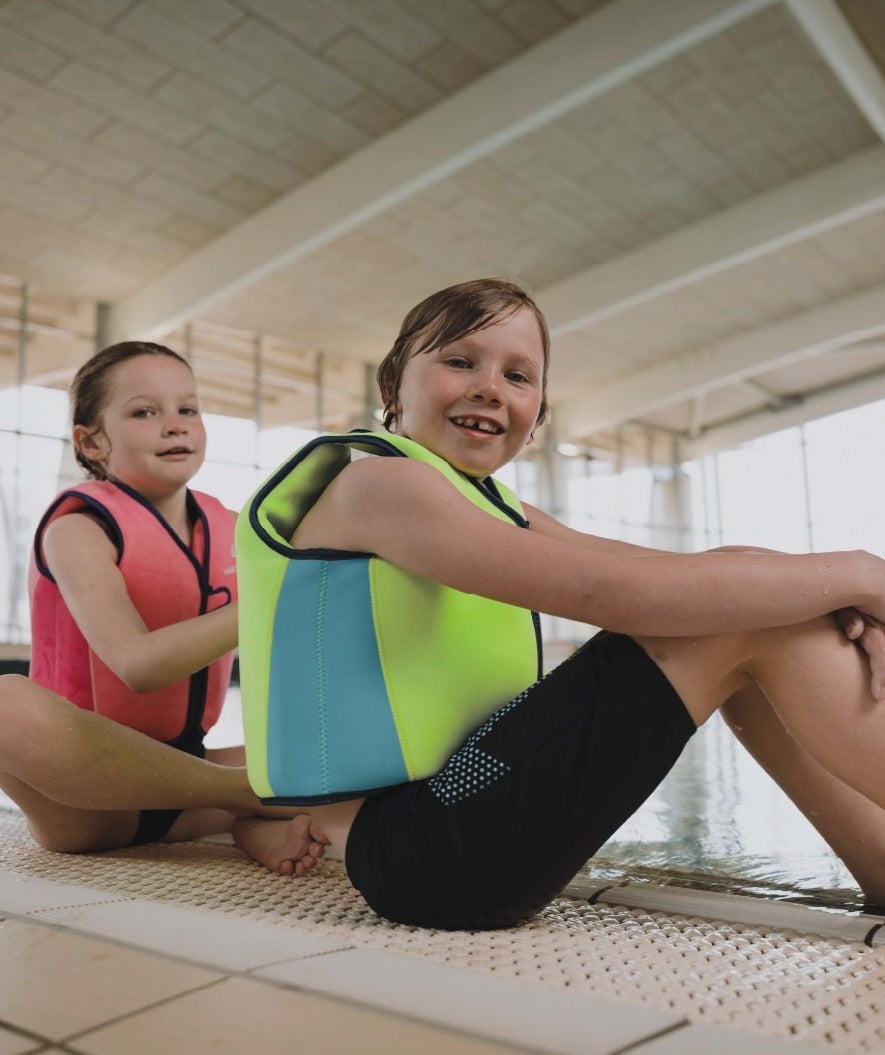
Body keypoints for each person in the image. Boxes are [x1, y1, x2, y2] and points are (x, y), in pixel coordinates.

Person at [232, 277, 885, 930]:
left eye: (518, 376)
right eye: (459, 361)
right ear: (392, 386)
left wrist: (825, 588)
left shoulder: (495, 508)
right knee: (735, 611)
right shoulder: (377, 484)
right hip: (419, 846)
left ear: (537, 413)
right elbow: (615, 594)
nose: (490, 386)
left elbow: (673, 572)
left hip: (446, 826)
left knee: (739, 586)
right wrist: (860, 573)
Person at [0, 341, 324, 875]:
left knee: (347, 753)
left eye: (187, 409)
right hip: (88, 801)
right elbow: (138, 666)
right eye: (144, 412)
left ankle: (239, 817)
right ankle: (245, 798)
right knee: (7, 704)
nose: (174, 425)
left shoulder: (232, 527)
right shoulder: (78, 527)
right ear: (92, 441)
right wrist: (267, 602)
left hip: (187, 762)